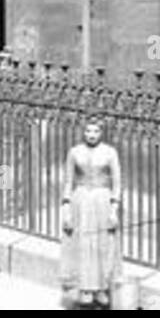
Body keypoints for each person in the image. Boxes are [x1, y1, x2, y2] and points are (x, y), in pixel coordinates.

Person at [59, 116, 122, 308]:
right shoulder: (74, 152)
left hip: (102, 200)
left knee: (103, 243)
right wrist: (66, 209)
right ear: (83, 132)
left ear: (101, 133)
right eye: (88, 131)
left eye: (95, 131)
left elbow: (117, 183)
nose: (91, 135)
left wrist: (114, 209)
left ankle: (102, 289)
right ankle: (85, 289)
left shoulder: (110, 152)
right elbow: (68, 181)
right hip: (81, 201)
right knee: (84, 243)